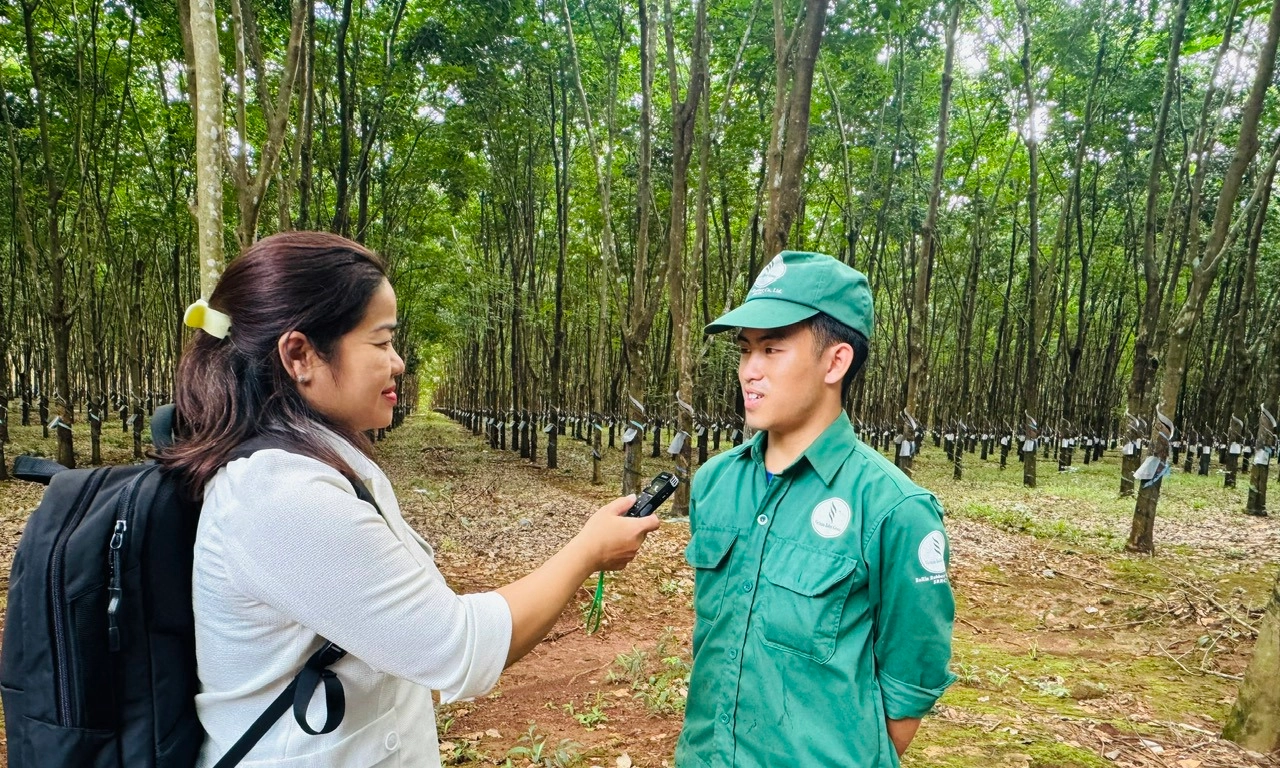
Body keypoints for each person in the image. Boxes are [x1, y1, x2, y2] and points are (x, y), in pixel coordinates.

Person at [161, 231, 659, 767]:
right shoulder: (279, 498)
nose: (398, 363)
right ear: (299, 354)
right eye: (380, 342)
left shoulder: (317, 462)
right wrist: (587, 551)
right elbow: (457, 647)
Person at [675, 251, 955, 768]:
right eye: (745, 351)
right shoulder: (716, 482)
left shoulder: (894, 509)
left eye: (772, 349)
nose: (749, 371)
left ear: (836, 361)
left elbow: (912, 679)